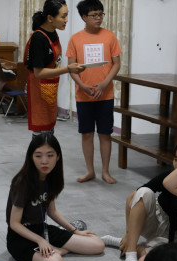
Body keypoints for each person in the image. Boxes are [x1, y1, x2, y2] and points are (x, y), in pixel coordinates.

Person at [102, 137, 177, 261]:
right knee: (144, 193)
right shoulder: (170, 175)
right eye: (175, 159)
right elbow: (132, 197)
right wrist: (128, 233)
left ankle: (135, 246)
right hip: (157, 221)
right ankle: (131, 250)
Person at [7, 133, 105, 261]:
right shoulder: (22, 183)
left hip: (42, 229)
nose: (44, 161)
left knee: (98, 245)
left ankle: (56, 249)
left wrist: (75, 231)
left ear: (58, 157)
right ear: (31, 157)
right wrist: (40, 241)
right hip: (20, 238)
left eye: (50, 155)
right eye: (38, 156)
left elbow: (52, 211)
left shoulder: (50, 178)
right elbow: (14, 223)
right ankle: (55, 251)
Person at [66, 0, 122, 184]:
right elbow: (71, 67)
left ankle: (105, 171)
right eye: (94, 15)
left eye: (101, 14)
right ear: (84, 17)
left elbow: (116, 64)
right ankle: (90, 171)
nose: (99, 18)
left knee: (105, 134)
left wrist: (105, 83)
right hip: (84, 95)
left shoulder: (109, 36)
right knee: (87, 134)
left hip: (105, 95)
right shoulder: (75, 39)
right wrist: (82, 86)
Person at [25, 0, 85, 135]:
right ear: (50, 18)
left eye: (67, 15)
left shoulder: (53, 33)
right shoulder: (39, 38)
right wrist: (68, 69)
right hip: (38, 89)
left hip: (49, 87)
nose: (66, 20)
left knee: (49, 130)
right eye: (63, 16)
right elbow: (38, 73)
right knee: (41, 134)